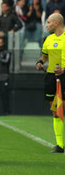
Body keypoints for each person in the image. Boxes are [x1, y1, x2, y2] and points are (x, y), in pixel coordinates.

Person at [36, 13, 65, 153]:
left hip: (64, 76)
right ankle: (59, 144)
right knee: (55, 110)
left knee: (62, 107)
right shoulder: (48, 39)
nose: (46, 25)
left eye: (48, 22)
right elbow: (44, 55)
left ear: (56, 24)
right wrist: (40, 62)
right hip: (51, 77)